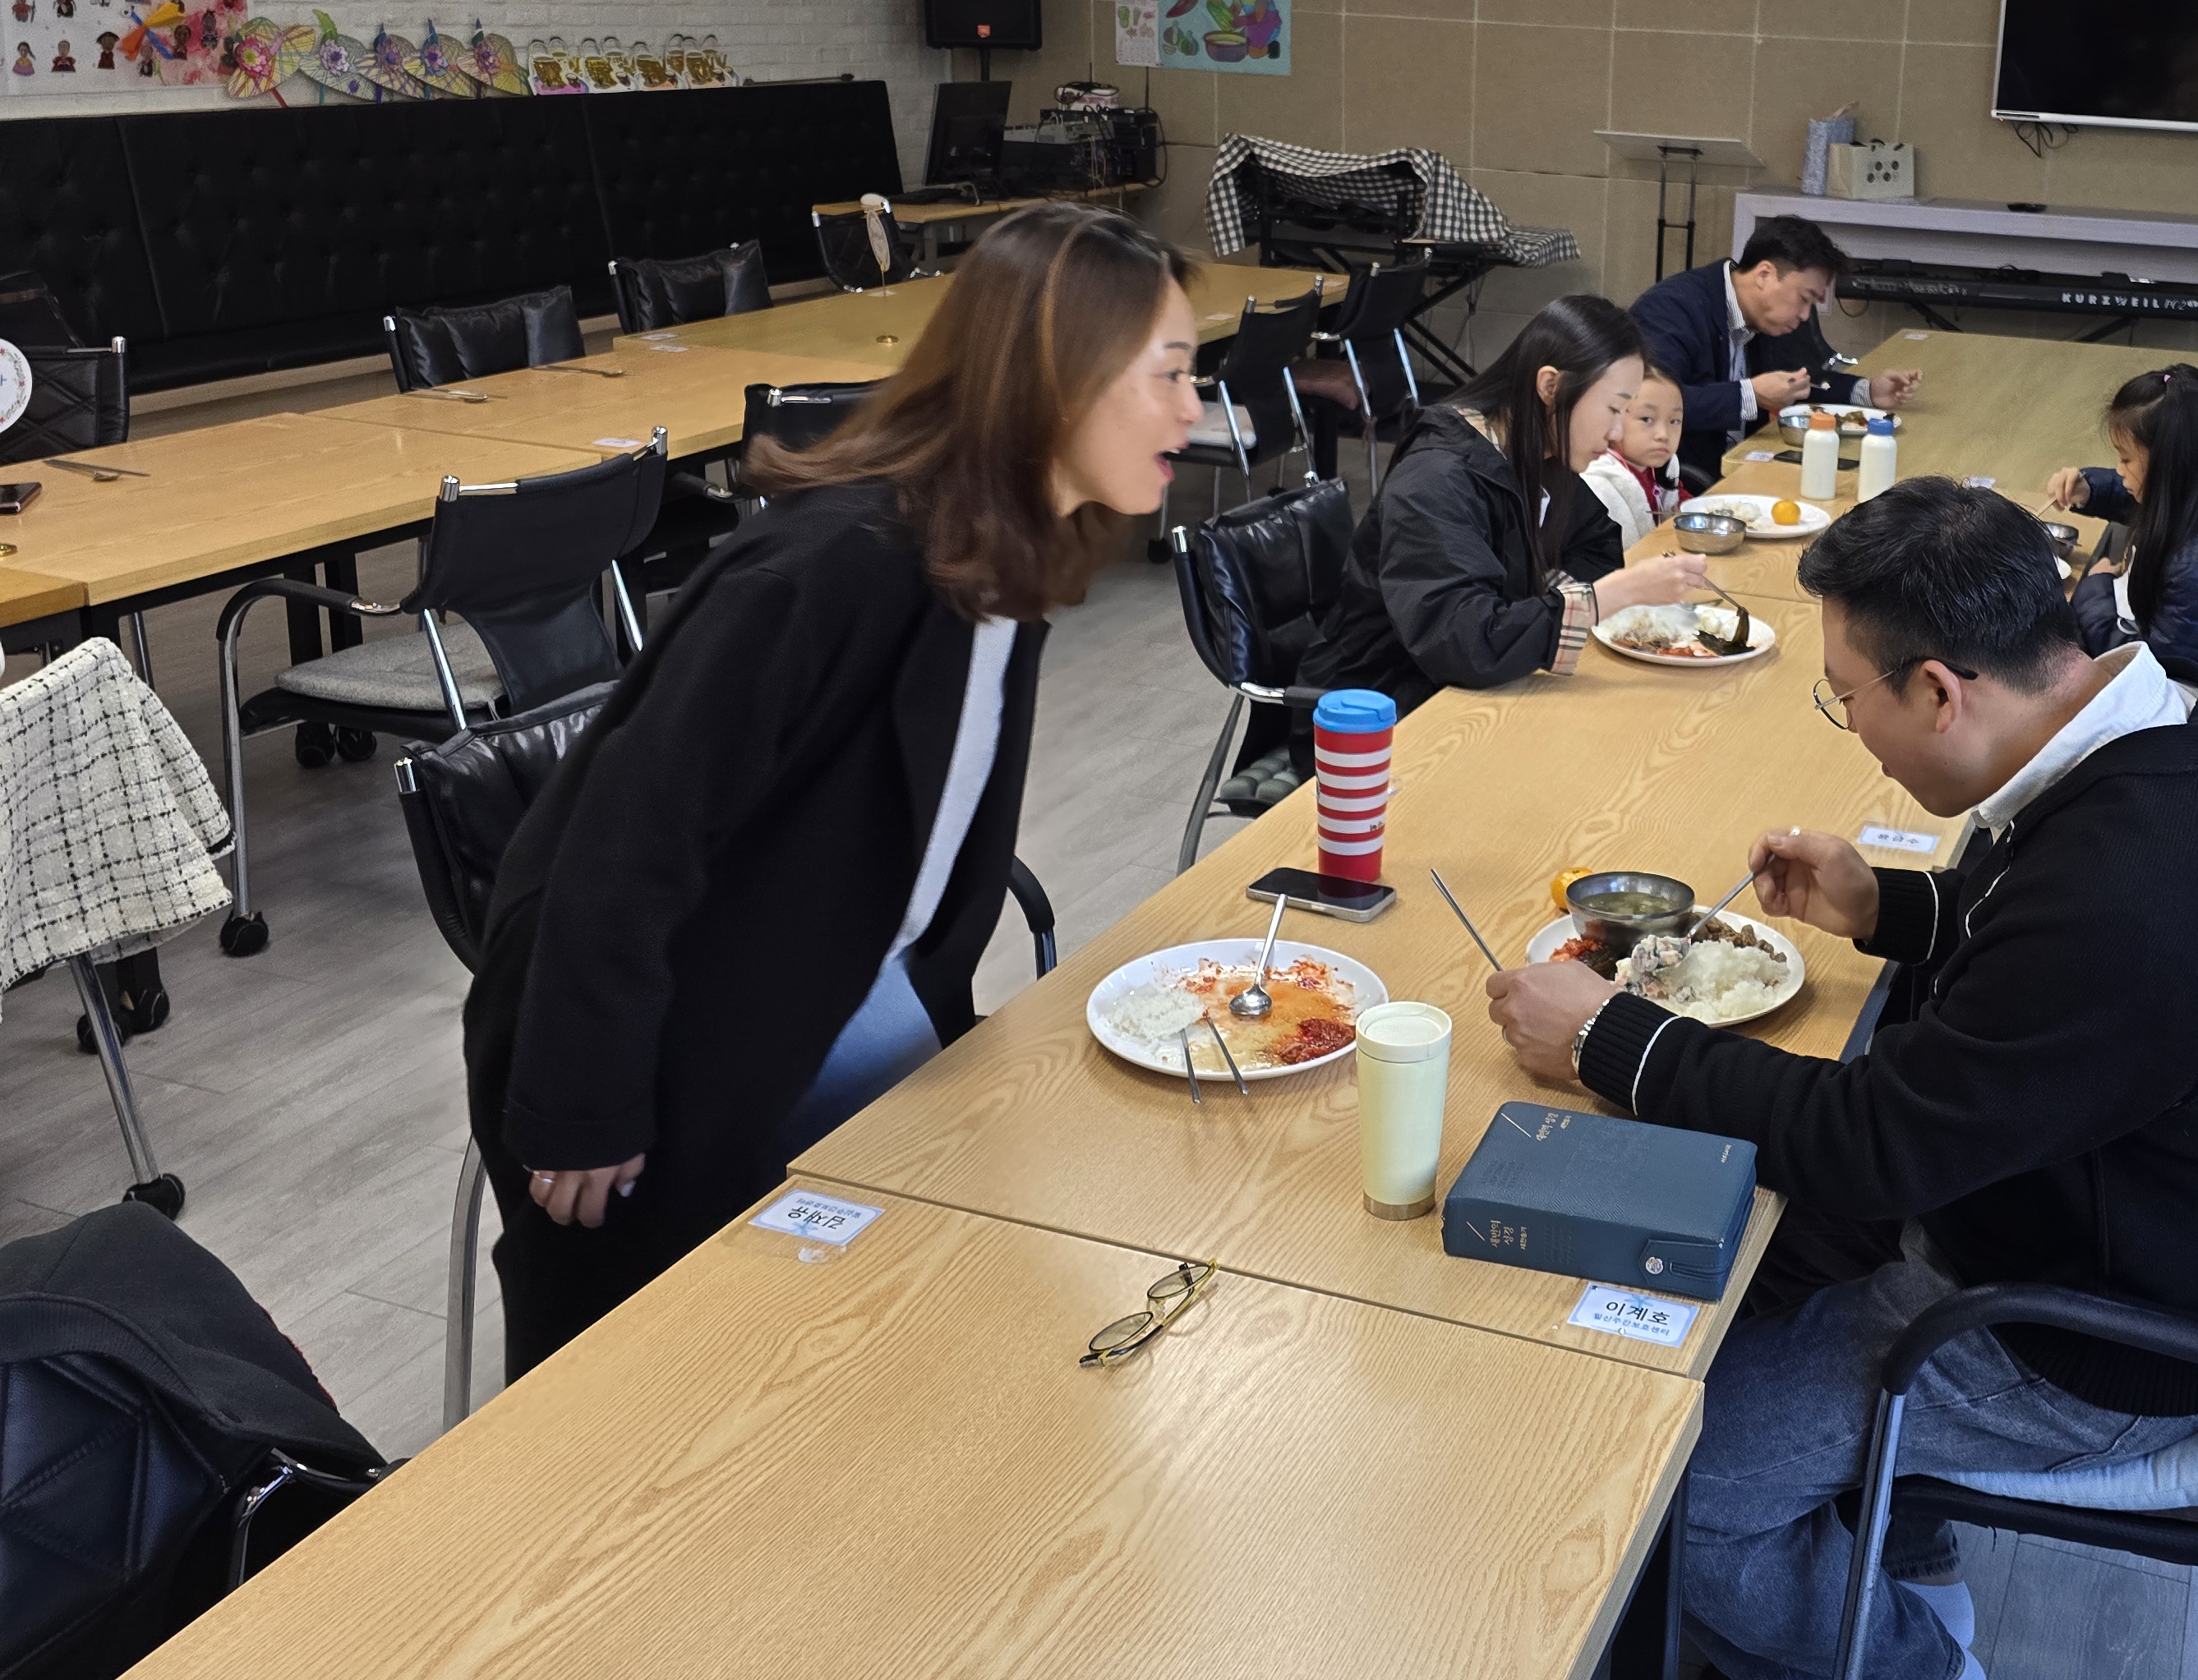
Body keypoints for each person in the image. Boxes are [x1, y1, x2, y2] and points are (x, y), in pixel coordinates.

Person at [1484, 478, 2198, 1680]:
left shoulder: (2131, 889)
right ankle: (1906, 1559)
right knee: (1738, 1288)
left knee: (1672, 1468)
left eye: (1849, 698)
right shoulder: (2173, 719)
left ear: (1942, 690)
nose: (1855, 733)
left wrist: (1608, 1037)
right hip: (2126, 1219)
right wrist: (1887, 905)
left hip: (2093, 1334)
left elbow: (1870, 1145)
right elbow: (2044, 977)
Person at [463, 205, 1206, 1378]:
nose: (1193, 409)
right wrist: (583, 1104)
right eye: (1166, 375)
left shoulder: (1003, 557)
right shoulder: (833, 566)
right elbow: (626, 835)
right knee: (650, 1380)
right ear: (1054, 379)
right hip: (647, 1039)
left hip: (822, 990)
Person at [1304, 295, 1712, 711]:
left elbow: (1596, 543)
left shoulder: (1540, 455)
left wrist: (1540, 605)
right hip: (1374, 708)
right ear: (1551, 387)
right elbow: (1464, 645)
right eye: (1613, 409)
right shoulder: (1436, 479)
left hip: (1472, 692)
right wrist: (1600, 599)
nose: (1617, 433)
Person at [1630, 215, 1921, 487]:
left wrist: (1867, 391)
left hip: (1751, 469)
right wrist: (1750, 395)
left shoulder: (1767, 317)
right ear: (1764, 275)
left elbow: (1799, 381)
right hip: (1683, 484)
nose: (1805, 316)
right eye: (1804, 299)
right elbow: (1652, 406)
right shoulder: (1671, 309)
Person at [2048, 362, 2198, 679]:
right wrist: (2089, 489)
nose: (2119, 469)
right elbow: (2153, 499)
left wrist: (2096, 589)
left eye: (2126, 458)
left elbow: (2149, 668)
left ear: (2170, 463)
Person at [1581, 358, 1689, 549]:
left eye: (1674, 421)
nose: (1663, 435)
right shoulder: (1597, 484)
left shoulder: (1661, 468)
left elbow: (1679, 499)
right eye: (1647, 419)